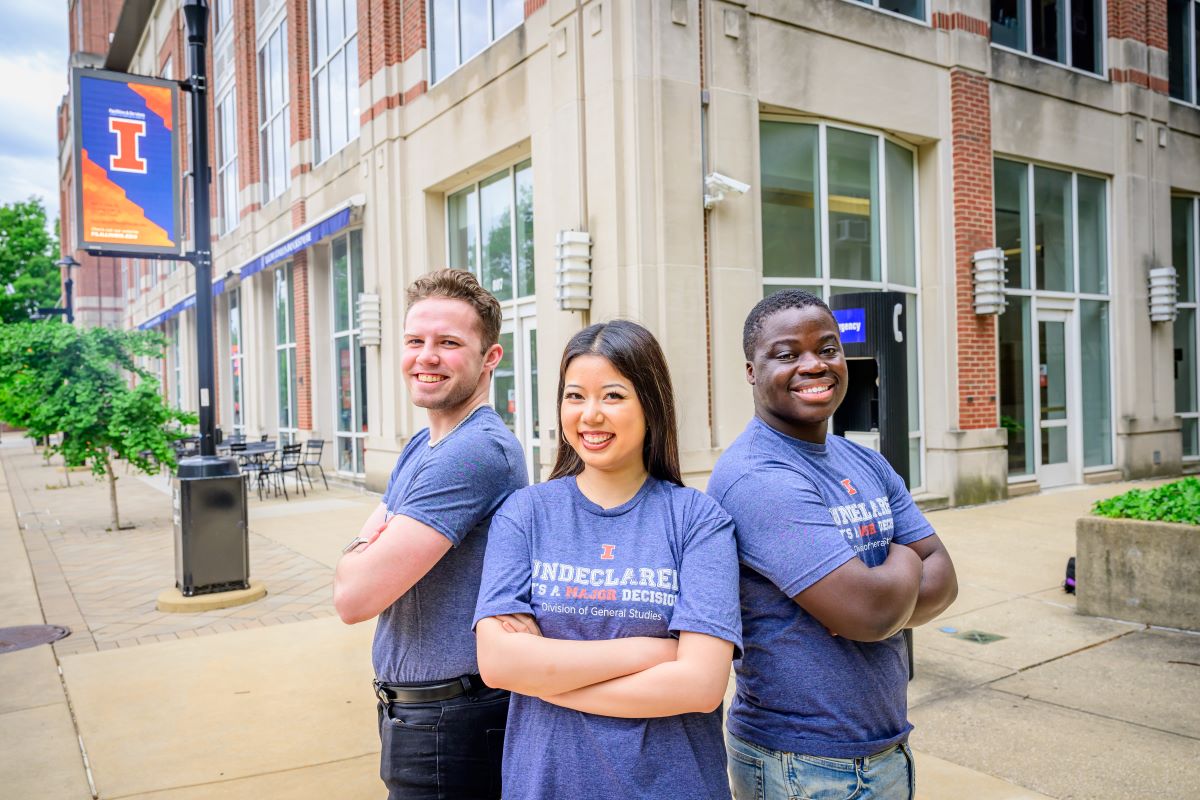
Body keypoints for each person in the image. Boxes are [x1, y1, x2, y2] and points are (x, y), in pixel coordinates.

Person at [473, 320, 742, 799]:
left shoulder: (699, 520)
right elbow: (497, 663)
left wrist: (546, 681)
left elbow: (699, 686)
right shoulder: (525, 513)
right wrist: (650, 651)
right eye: (575, 396)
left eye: (613, 396)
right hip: (546, 784)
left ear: (650, 404)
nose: (590, 414)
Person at [707, 289, 958, 800]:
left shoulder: (861, 461)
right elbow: (869, 612)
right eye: (786, 354)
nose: (813, 365)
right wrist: (905, 557)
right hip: (804, 764)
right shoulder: (758, 476)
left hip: (882, 748)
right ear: (752, 372)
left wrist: (881, 591)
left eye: (826, 349)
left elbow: (945, 580)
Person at [333, 269, 527, 800]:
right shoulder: (425, 445)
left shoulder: (475, 453)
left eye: (448, 343)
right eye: (415, 341)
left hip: (452, 721)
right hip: (421, 713)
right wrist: (369, 551)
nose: (426, 356)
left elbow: (353, 596)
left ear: (491, 358)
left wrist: (365, 548)